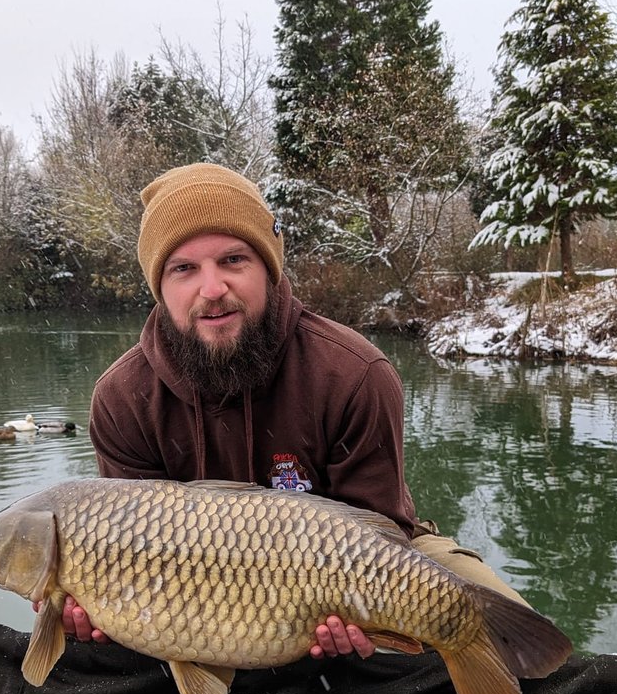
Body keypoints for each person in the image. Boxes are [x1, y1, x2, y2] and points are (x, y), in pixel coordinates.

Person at [58, 162, 526, 655]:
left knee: (512, 644)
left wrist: (353, 614)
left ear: (268, 267)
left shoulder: (354, 372)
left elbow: (381, 534)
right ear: (160, 286)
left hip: (361, 565)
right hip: (188, 587)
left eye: (233, 260)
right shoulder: (122, 397)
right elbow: (129, 558)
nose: (212, 289)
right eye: (184, 269)